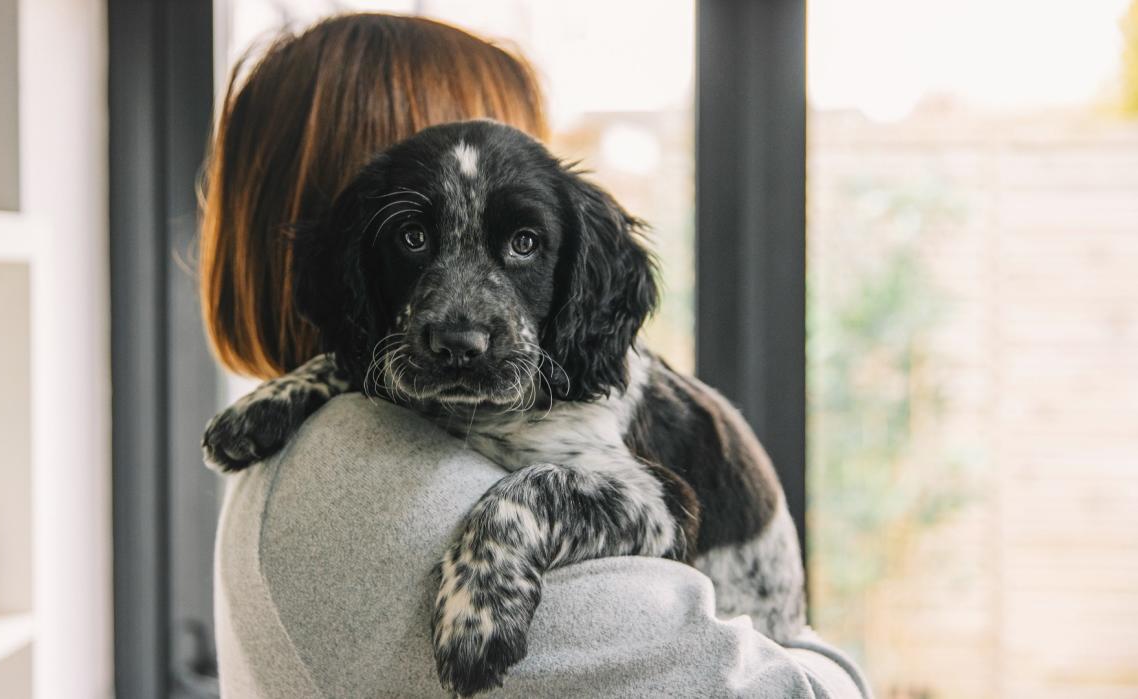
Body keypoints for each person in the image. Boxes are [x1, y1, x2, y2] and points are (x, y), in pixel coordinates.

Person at [201, 13, 870, 698]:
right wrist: (827, 663)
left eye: (522, 241)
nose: (462, 322)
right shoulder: (372, 480)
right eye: (414, 237)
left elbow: (654, 511)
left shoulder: (320, 455)